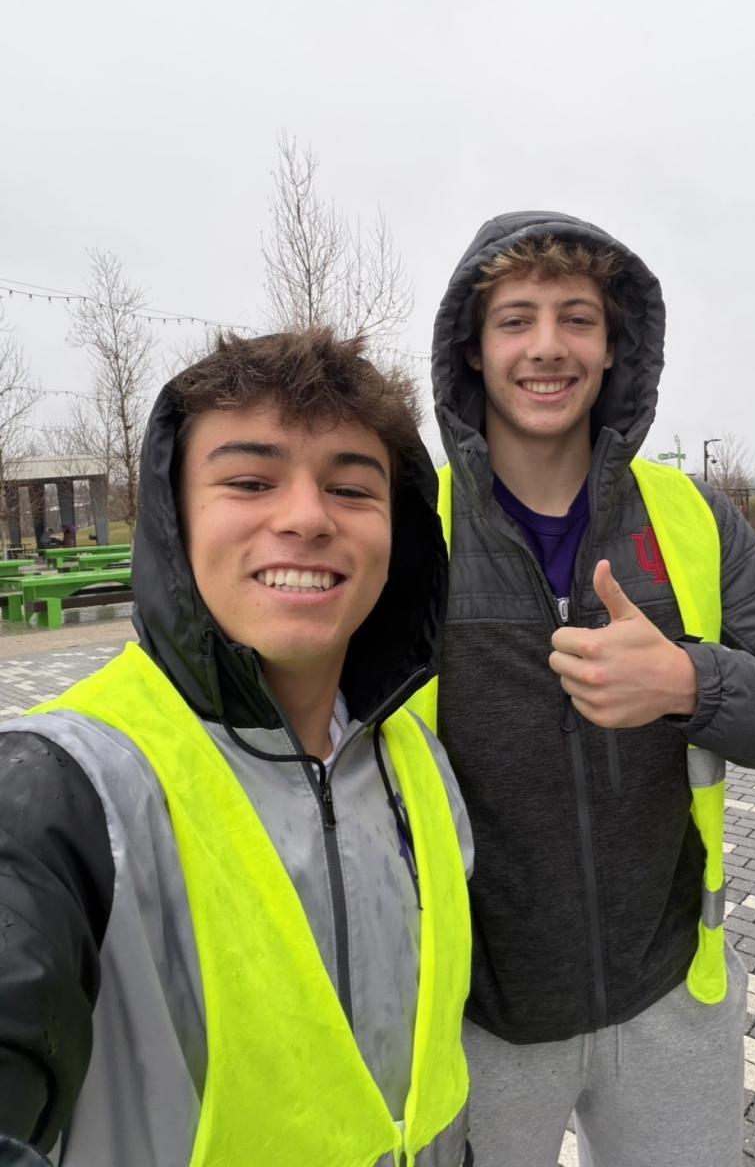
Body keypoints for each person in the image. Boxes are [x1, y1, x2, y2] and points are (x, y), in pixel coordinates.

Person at [411, 211, 755, 1166]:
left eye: (577, 317)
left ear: (614, 347)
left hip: (671, 1004)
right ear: (473, 350)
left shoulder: (691, 517)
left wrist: (690, 679)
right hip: (472, 1025)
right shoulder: (410, 533)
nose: (547, 346)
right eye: (516, 319)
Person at [0, 328, 473, 1167]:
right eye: (251, 481)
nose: (307, 517)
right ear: (174, 519)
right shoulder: (63, 789)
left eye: (351, 489)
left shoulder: (418, 764)